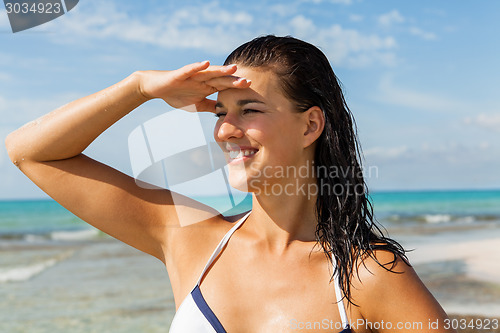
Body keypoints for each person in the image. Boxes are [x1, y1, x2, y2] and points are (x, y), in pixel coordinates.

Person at [5, 35, 455, 332]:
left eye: (249, 110)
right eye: (221, 112)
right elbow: (31, 151)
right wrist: (139, 87)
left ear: (310, 125)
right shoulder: (191, 240)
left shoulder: (368, 279)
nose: (224, 130)